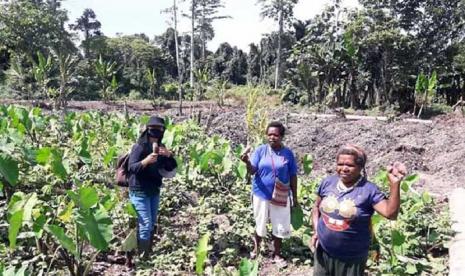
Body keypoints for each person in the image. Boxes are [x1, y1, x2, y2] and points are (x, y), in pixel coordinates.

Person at [311, 144, 407, 276]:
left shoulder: (369, 190)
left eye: (349, 165)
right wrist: (316, 231)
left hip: (351, 258)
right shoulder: (328, 182)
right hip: (323, 252)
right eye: (340, 164)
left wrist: (394, 185)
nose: (343, 169)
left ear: (360, 167)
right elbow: (316, 207)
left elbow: (390, 214)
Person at [240, 121, 298, 266]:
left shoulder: (288, 154)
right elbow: (252, 171)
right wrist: (247, 162)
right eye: (269, 134)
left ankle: (277, 254)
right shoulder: (260, 151)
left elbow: (293, 175)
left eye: (276, 135)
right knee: (260, 221)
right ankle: (256, 249)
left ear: (282, 136)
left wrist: (295, 197)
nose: (272, 137)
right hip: (261, 193)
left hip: (281, 193)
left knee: (279, 223)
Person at [127, 116, 177, 256]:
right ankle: (143, 257)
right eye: (153, 129)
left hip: (154, 189)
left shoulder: (162, 147)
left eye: (160, 129)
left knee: (152, 223)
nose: (156, 132)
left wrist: (168, 155)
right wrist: (146, 161)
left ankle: (147, 251)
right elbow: (132, 168)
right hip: (139, 190)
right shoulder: (139, 147)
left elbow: (171, 168)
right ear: (147, 130)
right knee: (146, 224)